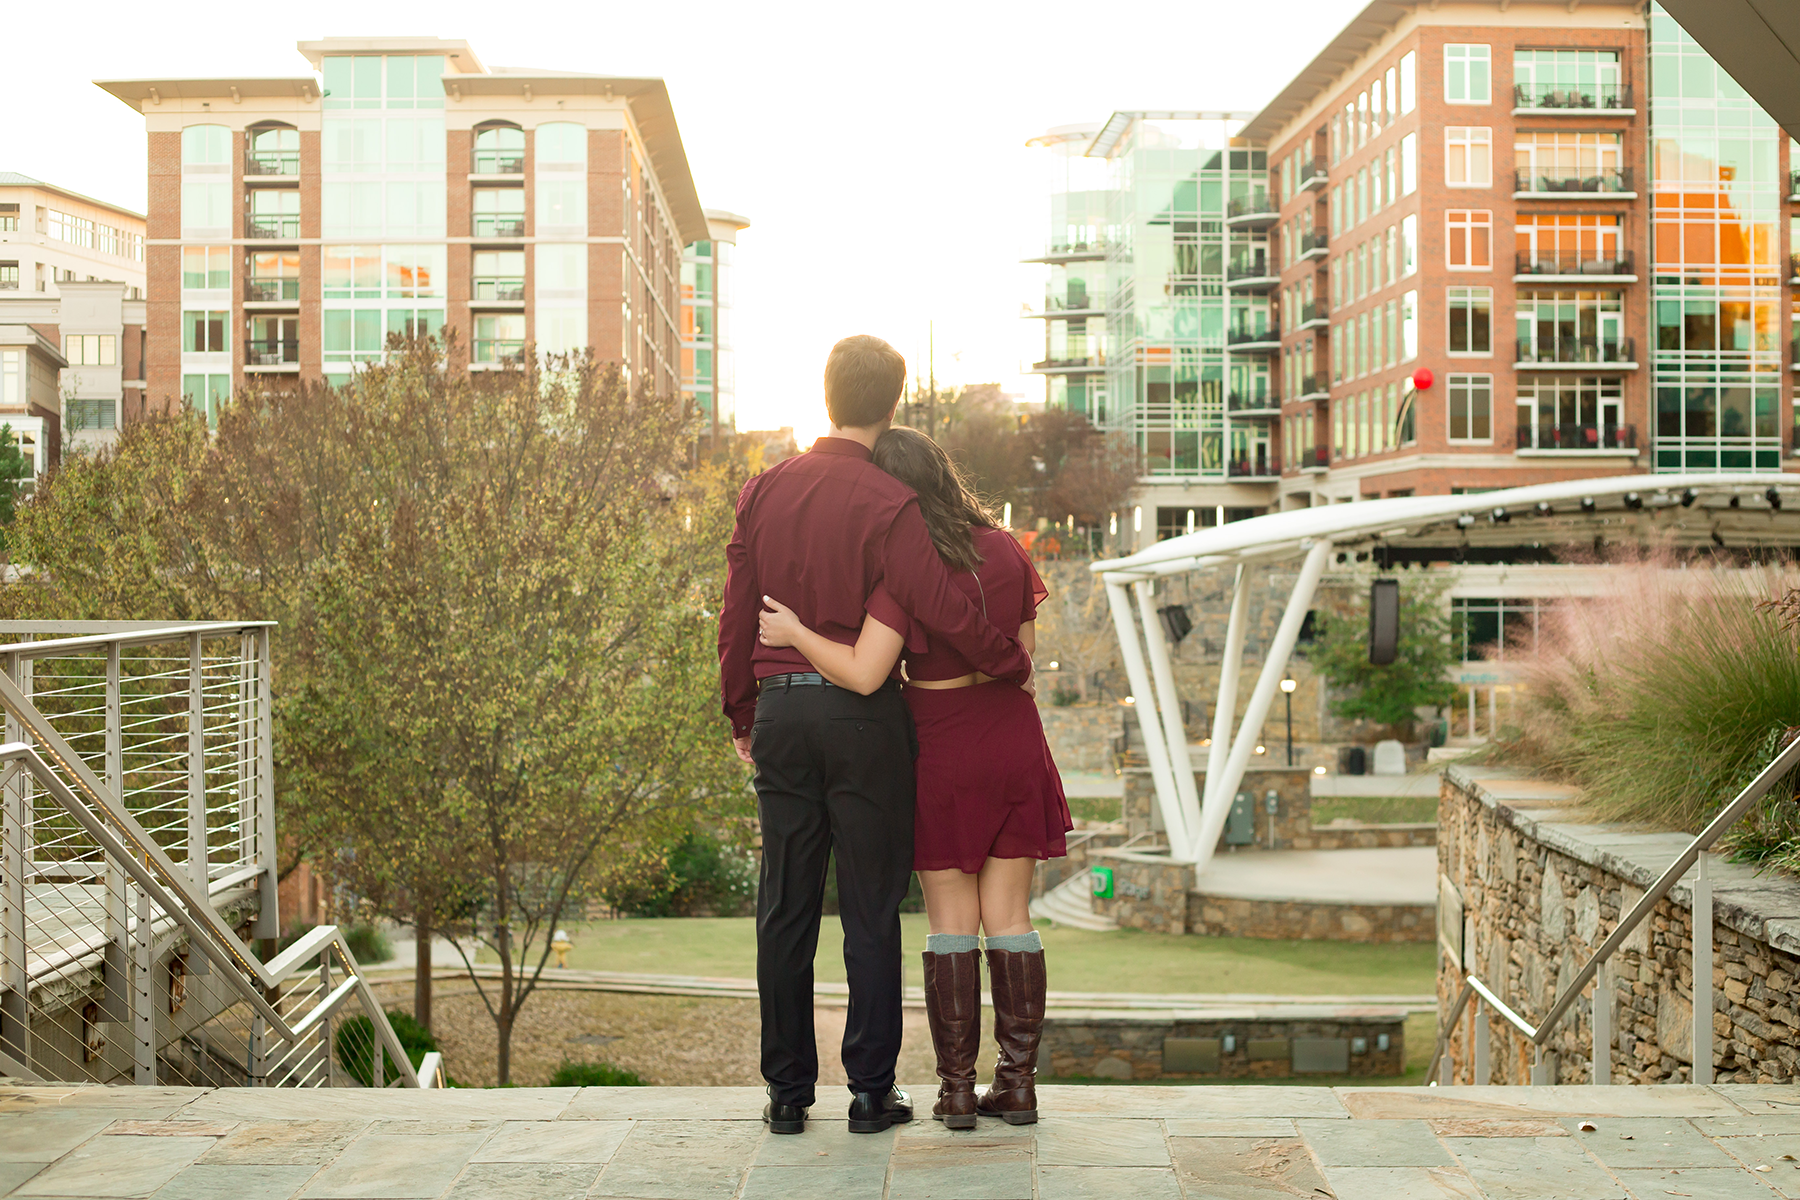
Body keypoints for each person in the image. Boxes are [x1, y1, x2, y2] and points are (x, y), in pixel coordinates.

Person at [716, 335, 1033, 1136]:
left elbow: (736, 611)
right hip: (863, 721)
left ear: (825, 395)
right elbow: (940, 606)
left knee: (784, 907)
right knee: (868, 909)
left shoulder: (762, 491)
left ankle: (788, 1094)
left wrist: (742, 714)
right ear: (893, 406)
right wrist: (1009, 663)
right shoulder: (890, 504)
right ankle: (868, 1092)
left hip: (782, 708)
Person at [758, 425, 1070, 1129]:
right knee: (1012, 919)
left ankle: (957, 1091)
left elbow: (866, 670)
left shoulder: (906, 566)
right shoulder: (1006, 551)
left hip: (939, 746)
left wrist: (799, 635)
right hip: (1012, 740)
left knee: (952, 925)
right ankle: (1017, 1085)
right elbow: (1022, 659)